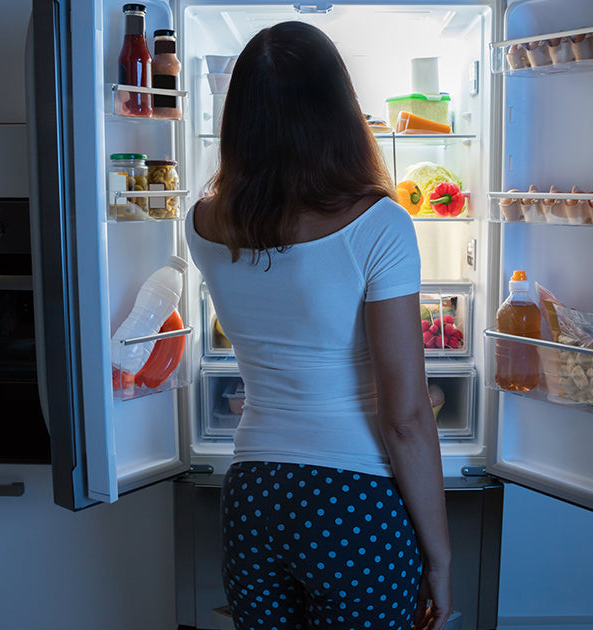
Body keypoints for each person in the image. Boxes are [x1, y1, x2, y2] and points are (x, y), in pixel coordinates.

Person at [185, 20, 453, 630]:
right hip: (352, 502)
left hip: (252, 495)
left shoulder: (202, 224)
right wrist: (439, 559)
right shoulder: (380, 225)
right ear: (341, 110)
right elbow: (406, 417)